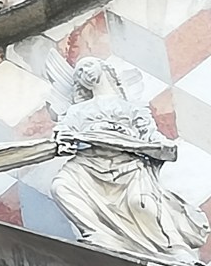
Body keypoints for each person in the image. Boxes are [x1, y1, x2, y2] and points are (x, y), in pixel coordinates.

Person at [51, 57, 208, 264]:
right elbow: (63, 134)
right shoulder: (77, 110)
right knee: (61, 187)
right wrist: (64, 140)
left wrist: (162, 146)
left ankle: (175, 248)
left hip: (127, 162)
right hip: (89, 163)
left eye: (87, 65)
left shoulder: (132, 108)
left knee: (142, 203)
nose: (83, 73)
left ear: (104, 68)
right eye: (78, 73)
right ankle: (99, 234)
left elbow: (151, 136)